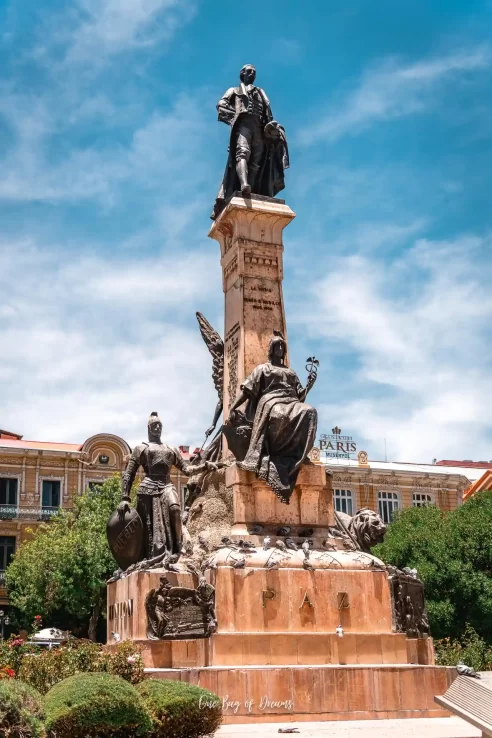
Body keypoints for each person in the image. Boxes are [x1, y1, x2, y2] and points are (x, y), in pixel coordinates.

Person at [225, 332, 317, 503]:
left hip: (291, 401)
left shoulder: (290, 372)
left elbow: (300, 396)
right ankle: (275, 451)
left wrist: (309, 387)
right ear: (272, 349)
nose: (281, 349)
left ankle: (298, 455)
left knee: (309, 411)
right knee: (280, 414)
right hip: (271, 401)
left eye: (283, 346)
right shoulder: (263, 369)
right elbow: (247, 390)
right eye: (278, 346)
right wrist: (233, 407)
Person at [118, 412, 217, 561]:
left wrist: (205, 466)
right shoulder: (141, 448)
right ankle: (150, 554)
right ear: (149, 428)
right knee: (148, 526)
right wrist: (125, 497)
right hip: (147, 488)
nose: (157, 427)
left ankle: (178, 545)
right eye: (154, 425)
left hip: (166, 485)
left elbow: (187, 470)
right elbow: (129, 474)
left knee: (175, 509)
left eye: (159, 425)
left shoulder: (171, 449)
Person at [212, 64, 289, 219]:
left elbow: (268, 113)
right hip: (243, 125)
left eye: (254, 71)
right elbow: (221, 106)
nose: (252, 73)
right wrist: (235, 118)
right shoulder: (234, 91)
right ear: (243, 74)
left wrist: (273, 128)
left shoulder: (261, 92)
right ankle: (244, 184)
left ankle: (251, 189)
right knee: (243, 153)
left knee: (257, 160)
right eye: (249, 71)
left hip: (259, 128)